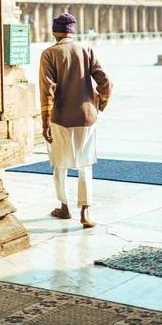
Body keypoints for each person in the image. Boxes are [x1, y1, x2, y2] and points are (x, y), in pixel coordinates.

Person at [39, 13, 112, 228]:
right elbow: (104, 81)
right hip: (86, 117)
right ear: (73, 31)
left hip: (60, 118)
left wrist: (44, 123)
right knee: (85, 165)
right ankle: (85, 213)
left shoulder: (49, 54)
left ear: (54, 31)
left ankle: (64, 207)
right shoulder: (85, 50)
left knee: (60, 164)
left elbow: (47, 92)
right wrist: (101, 102)